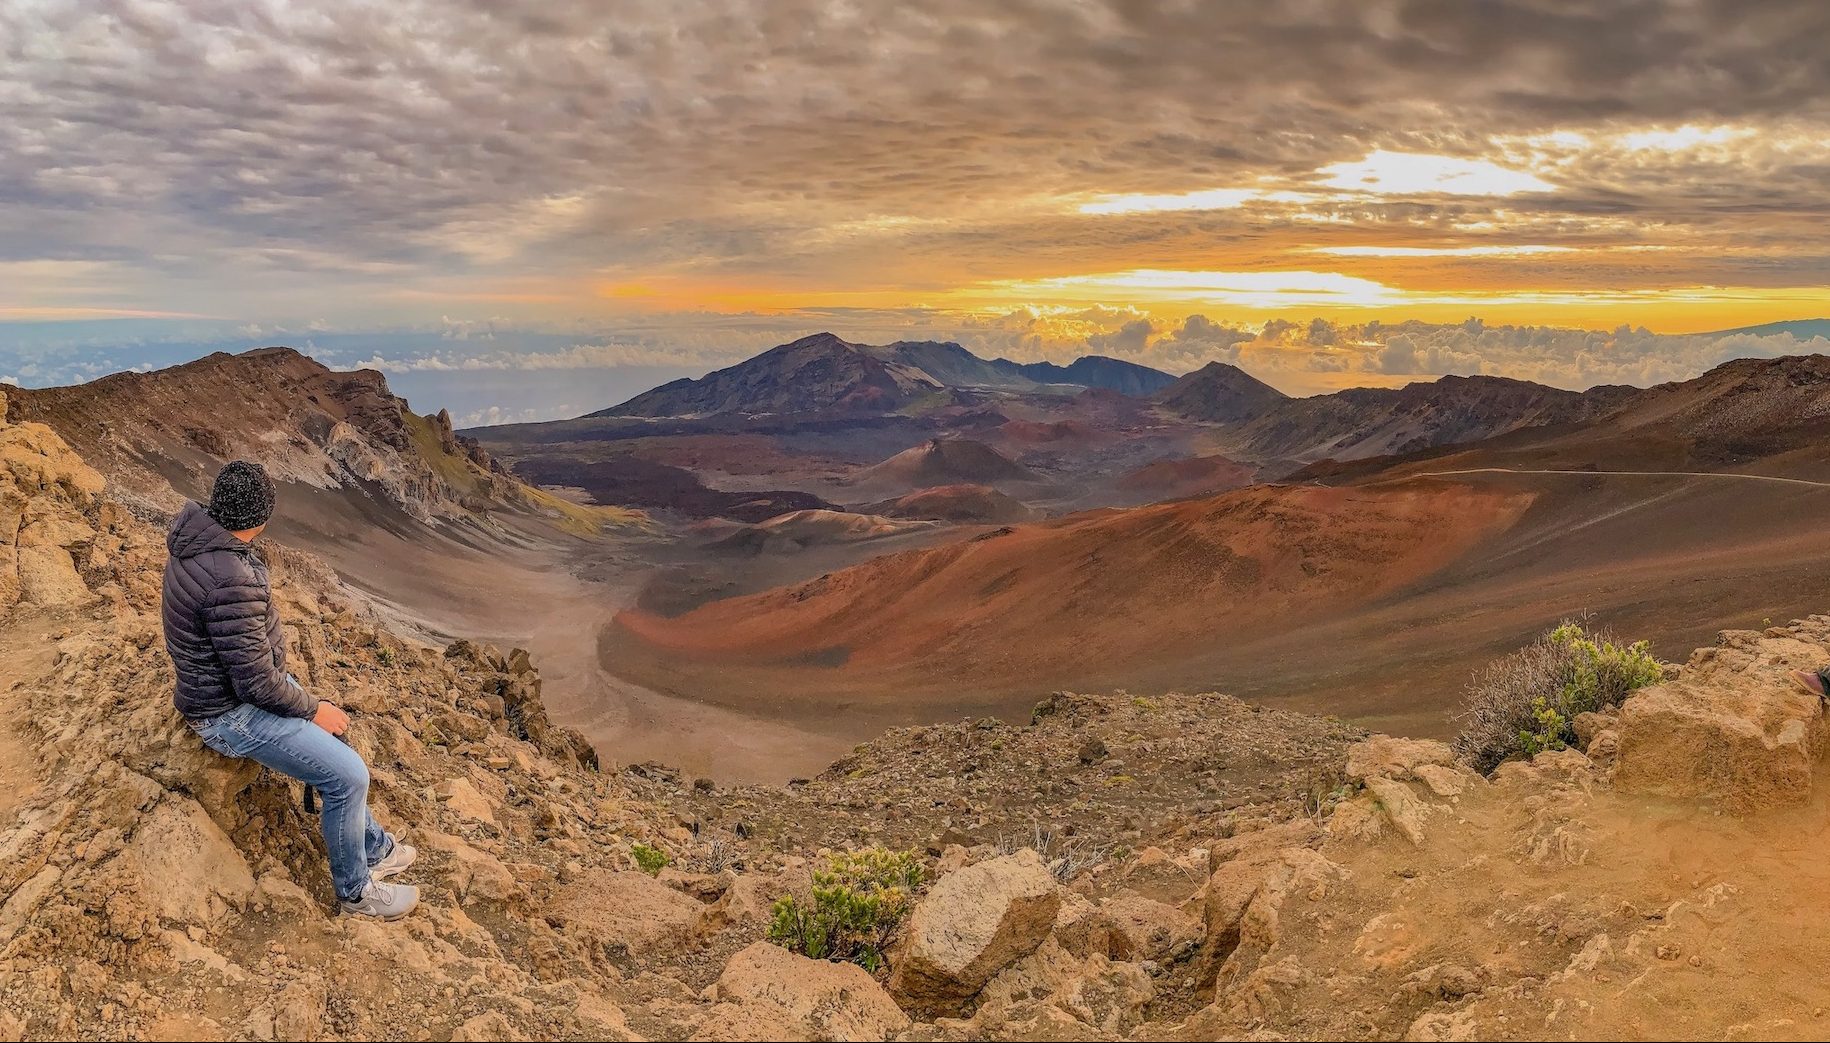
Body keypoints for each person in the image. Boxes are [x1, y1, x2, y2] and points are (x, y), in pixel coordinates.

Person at [162, 460, 419, 920]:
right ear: (260, 517)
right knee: (348, 777)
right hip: (230, 715)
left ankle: (375, 847)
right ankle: (356, 892)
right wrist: (312, 709)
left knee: (333, 747)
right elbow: (255, 682)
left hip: (227, 693)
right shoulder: (228, 578)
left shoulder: (201, 543)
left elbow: (248, 663)